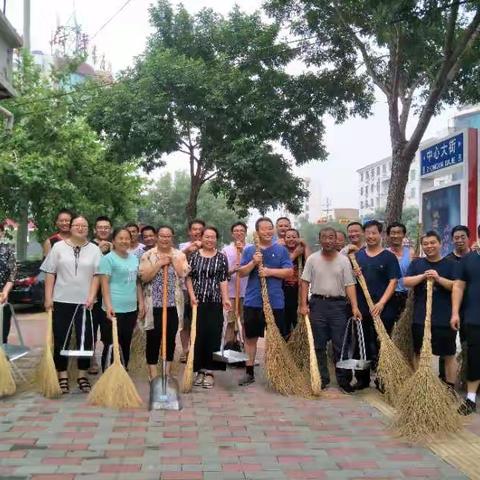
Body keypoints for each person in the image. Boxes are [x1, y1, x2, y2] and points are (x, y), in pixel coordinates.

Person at [41, 215, 102, 394]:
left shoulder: (94, 249)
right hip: (61, 300)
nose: (80, 228)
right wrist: (48, 297)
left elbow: (97, 275)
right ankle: (62, 376)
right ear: (71, 227)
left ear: (88, 228)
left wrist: (91, 296)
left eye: (84, 225)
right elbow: (50, 273)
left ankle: (82, 375)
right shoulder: (58, 247)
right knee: (61, 338)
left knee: (86, 340)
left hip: (86, 303)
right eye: (77, 225)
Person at [299, 227, 361, 393]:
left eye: (331, 237)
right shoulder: (312, 259)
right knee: (318, 344)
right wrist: (303, 305)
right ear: (320, 240)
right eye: (324, 237)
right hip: (317, 305)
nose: (328, 240)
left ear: (336, 240)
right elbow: (304, 282)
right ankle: (322, 379)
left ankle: (344, 380)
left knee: (340, 345)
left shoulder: (343, 260)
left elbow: (350, 285)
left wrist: (354, 307)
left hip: (339, 307)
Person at [238, 217, 293, 386]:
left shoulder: (281, 250)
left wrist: (269, 271)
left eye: (270, 228)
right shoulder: (250, 250)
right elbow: (241, 273)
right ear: (257, 232)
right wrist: (254, 263)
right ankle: (249, 371)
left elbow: (289, 272)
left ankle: (277, 371)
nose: (268, 231)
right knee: (251, 338)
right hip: (253, 301)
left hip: (275, 301)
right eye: (264, 229)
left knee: (276, 337)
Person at [404, 231, 457, 388]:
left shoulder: (450, 264)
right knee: (420, 352)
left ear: (440, 244)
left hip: (444, 318)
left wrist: (438, 278)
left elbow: (457, 286)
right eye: (425, 244)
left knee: (448, 353)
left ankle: (450, 387)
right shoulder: (417, 264)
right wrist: (423, 276)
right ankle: (422, 385)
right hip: (421, 318)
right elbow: (406, 281)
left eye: (432, 243)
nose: (429, 246)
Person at [353, 220, 401, 390]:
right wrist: (354, 274)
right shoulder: (358, 256)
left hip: (384, 308)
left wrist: (381, 303)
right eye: (368, 233)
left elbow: (393, 281)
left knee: (383, 344)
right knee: (362, 343)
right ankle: (362, 379)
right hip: (363, 307)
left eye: (374, 233)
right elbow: (351, 283)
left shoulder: (388, 257)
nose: (371, 236)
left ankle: (383, 379)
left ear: (380, 235)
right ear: (364, 234)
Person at [139, 226, 189, 380]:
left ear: (172, 237)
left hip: (173, 305)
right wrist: (159, 264)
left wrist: (173, 261)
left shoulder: (179, 255)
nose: (165, 239)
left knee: (170, 339)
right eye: (162, 236)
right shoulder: (147, 255)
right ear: (157, 237)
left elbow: (184, 274)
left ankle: (166, 372)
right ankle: (153, 374)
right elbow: (144, 278)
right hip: (153, 304)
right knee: (153, 338)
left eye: (168, 236)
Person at [186, 227, 230, 389]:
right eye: (207, 237)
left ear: (216, 239)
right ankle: (199, 370)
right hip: (197, 302)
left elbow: (223, 279)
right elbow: (188, 278)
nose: (209, 240)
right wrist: (191, 296)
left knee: (214, 335)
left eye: (213, 237)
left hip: (215, 302)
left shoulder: (221, 258)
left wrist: (225, 299)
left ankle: (210, 371)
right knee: (197, 336)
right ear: (201, 238)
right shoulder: (194, 257)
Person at [98, 228, 144, 371]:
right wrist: (108, 306)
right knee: (111, 344)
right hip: (113, 309)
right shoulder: (108, 259)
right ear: (114, 241)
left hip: (130, 309)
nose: (124, 241)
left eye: (127, 238)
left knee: (125, 343)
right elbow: (104, 284)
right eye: (120, 238)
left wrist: (141, 303)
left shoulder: (134, 258)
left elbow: (137, 283)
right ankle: (108, 374)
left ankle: (122, 373)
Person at [451, 224, 480, 415]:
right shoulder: (469, 260)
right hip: (474, 317)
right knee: (475, 358)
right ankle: (470, 399)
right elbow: (458, 287)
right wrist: (455, 312)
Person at [178, 219, 205, 362]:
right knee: (185, 322)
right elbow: (176, 259)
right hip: (183, 289)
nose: (197, 232)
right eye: (194, 229)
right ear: (189, 231)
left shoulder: (208, 245)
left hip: (201, 289)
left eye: (200, 229)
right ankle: (185, 350)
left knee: (200, 321)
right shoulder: (183, 246)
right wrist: (188, 250)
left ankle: (197, 349)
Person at [89, 215, 113, 374]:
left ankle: (109, 362)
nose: (103, 230)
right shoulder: (88, 246)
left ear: (110, 230)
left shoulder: (115, 246)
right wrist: (99, 251)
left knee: (108, 332)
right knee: (91, 330)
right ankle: (91, 361)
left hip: (109, 297)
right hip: (91, 295)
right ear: (94, 229)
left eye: (106, 227)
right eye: (100, 227)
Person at [222, 221, 250, 346]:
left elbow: (257, 265)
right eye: (236, 231)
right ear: (232, 234)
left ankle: (245, 348)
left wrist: (243, 250)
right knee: (231, 321)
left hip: (248, 292)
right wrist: (233, 269)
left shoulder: (251, 248)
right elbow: (222, 273)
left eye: (241, 231)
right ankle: (229, 347)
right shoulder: (226, 250)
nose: (239, 233)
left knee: (245, 322)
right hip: (231, 293)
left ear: (245, 233)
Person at [283, 228, 311, 335]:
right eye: (288, 237)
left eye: (294, 237)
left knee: (299, 323)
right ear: (284, 239)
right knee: (284, 325)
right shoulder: (282, 251)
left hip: (300, 294)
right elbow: (281, 266)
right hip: (283, 294)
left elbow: (310, 263)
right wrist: (295, 253)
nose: (291, 239)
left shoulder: (303, 250)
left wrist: (305, 246)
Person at [387, 222, 414, 322]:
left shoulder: (411, 252)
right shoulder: (384, 253)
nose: (395, 235)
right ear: (388, 235)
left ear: (403, 235)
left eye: (399, 232)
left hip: (407, 296)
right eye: (393, 233)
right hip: (389, 295)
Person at [0, 223, 16, 343]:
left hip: (2, 298)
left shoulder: (8, 249)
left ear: (2, 233)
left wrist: (4, 292)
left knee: (2, 333)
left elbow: (12, 274)